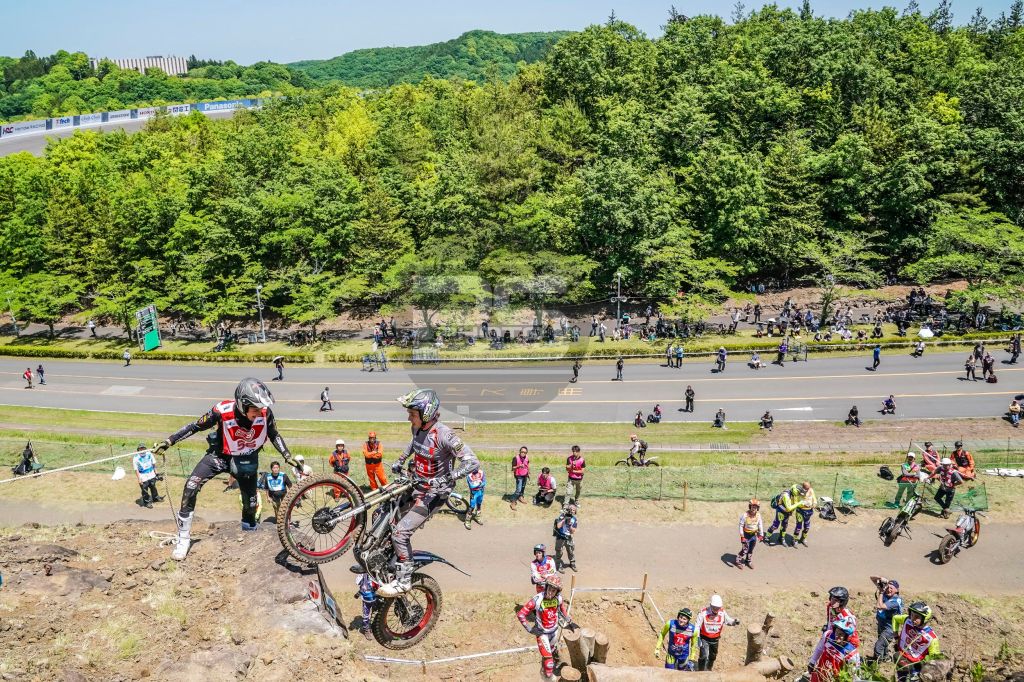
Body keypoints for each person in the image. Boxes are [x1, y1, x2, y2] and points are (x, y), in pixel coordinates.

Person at [152, 378, 295, 561]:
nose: (260, 412)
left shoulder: (265, 413)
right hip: (219, 457)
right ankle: (183, 539)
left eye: (261, 408)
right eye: (255, 409)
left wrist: (287, 455)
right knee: (190, 487)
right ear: (243, 405)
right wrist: (169, 441)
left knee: (250, 505)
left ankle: (249, 533)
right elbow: (195, 426)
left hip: (246, 461)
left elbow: (274, 434)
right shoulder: (221, 410)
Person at [378, 388, 479, 596]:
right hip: (416, 483)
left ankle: (404, 581)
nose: (409, 418)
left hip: (435, 493)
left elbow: (472, 462)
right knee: (384, 509)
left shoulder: (445, 435)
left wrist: (447, 477)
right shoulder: (417, 428)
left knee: (400, 532)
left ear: (426, 414)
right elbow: (414, 443)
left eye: (412, 414)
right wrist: (401, 460)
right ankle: (381, 557)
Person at [517, 574, 572, 681]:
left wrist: (569, 619)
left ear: (557, 592)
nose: (550, 592)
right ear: (546, 587)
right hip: (542, 633)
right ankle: (548, 677)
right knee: (549, 662)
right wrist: (530, 629)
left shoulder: (559, 599)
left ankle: (546, 665)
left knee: (551, 651)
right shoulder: (537, 599)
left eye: (554, 590)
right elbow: (521, 614)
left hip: (554, 632)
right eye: (549, 589)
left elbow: (562, 609)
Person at [893, 602, 941, 681]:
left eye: (917, 617)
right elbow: (895, 618)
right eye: (912, 615)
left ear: (925, 618)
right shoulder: (907, 620)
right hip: (902, 655)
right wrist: (896, 636)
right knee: (897, 657)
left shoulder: (931, 638)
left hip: (915, 663)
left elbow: (935, 659)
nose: (913, 619)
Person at [694, 594, 739, 671]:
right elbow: (697, 625)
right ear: (710, 605)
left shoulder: (722, 612)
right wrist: (697, 637)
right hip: (704, 638)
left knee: (713, 656)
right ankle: (700, 671)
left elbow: (728, 621)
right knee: (704, 656)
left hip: (715, 639)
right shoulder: (703, 612)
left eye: (718, 607)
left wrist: (734, 622)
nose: (716, 609)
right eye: (714, 607)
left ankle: (709, 668)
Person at [808, 616, 860, 682]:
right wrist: (812, 662)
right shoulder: (828, 636)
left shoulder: (851, 653)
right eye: (836, 632)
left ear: (847, 637)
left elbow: (854, 675)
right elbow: (819, 648)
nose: (837, 636)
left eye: (841, 634)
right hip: (820, 673)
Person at [870, 576, 904, 662]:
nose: (889, 590)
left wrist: (881, 592)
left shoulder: (896, 600)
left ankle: (878, 664)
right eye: (888, 587)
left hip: (889, 628)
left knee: (878, 647)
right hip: (882, 624)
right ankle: (886, 658)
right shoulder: (886, 592)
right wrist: (883, 579)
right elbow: (872, 578)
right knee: (883, 644)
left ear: (897, 590)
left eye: (891, 588)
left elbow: (879, 606)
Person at [132, 443, 162, 508]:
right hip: (143, 476)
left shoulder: (149, 454)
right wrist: (139, 479)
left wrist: (156, 473)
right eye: (141, 448)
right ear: (138, 450)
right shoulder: (136, 458)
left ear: (145, 449)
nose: (142, 449)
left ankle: (156, 498)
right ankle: (147, 502)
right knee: (144, 490)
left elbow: (153, 464)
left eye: (143, 448)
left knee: (153, 487)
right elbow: (136, 469)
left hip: (151, 474)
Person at [736, 499, 763, 569]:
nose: (754, 508)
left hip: (754, 535)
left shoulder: (758, 515)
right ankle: (738, 561)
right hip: (746, 535)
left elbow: (760, 524)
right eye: (752, 506)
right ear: (750, 506)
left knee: (751, 549)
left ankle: (748, 560)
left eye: (755, 507)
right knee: (745, 550)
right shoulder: (745, 515)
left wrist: (761, 534)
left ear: (758, 508)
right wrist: (742, 536)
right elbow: (741, 525)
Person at [553, 502, 578, 573]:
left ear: (575, 512)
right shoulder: (562, 516)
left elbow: (573, 531)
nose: (571, 511)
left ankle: (572, 564)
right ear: (567, 509)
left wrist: (570, 525)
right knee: (559, 552)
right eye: (570, 509)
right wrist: (564, 520)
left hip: (568, 537)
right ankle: (558, 566)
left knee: (570, 551)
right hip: (560, 537)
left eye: (573, 510)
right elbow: (558, 526)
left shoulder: (574, 519)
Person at [355, 571, 379, 640]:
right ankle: (366, 629)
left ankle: (375, 626)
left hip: (377, 596)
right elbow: (357, 582)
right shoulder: (363, 572)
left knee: (376, 612)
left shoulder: (377, 572)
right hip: (366, 597)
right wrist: (363, 574)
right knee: (366, 615)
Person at [794, 480, 816, 546]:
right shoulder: (798, 491)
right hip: (800, 511)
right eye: (807, 488)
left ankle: (803, 539)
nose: (808, 489)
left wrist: (814, 503)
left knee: (807, 527)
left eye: (809, 487)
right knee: (798, 526)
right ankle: (795, 539)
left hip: (808, 511)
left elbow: (814, 498)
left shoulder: (811, 490)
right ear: (803, 487)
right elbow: (796, 502)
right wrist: (803, 505)